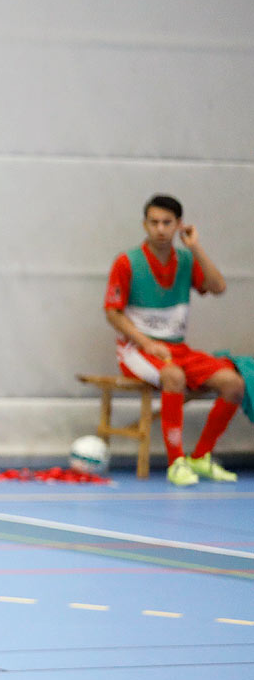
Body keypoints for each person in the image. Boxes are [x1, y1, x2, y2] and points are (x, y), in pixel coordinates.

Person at [104, 194, 241, 486]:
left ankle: (200, 457)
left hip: (177, 348)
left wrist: (196, 247)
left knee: (233, 384)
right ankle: (175, 462)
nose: (160, 229)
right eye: (154, 222)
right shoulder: (127, 262)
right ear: (145, 224)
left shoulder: (187, 260)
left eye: (167, 222)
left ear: (179, 225)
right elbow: (113, 313)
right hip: (137, 350)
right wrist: (146, 342)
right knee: (174, 377)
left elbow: (218, 287)